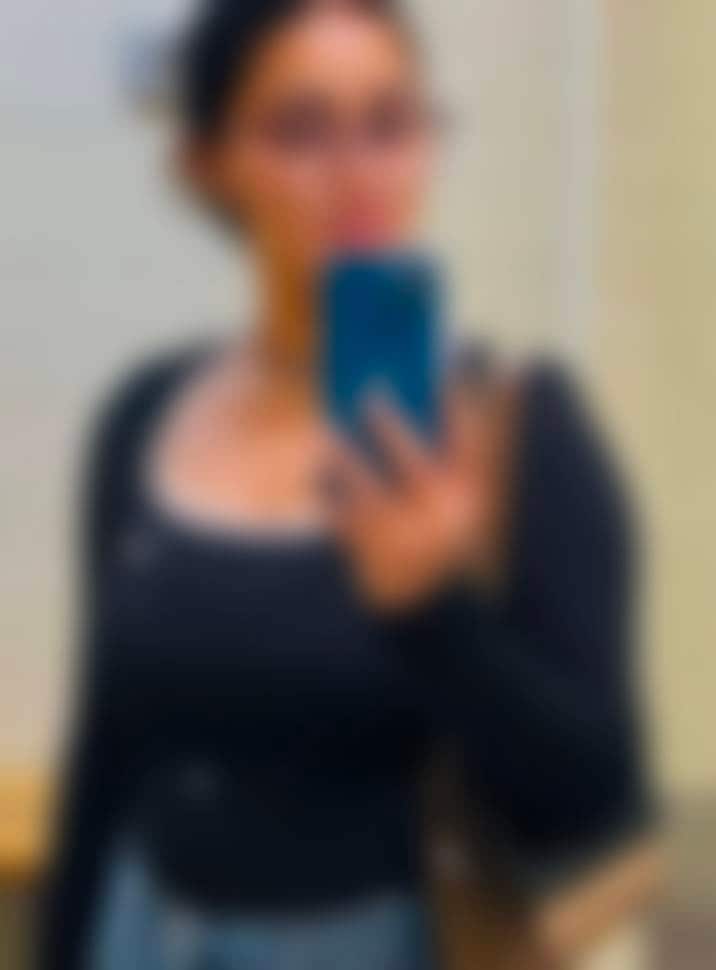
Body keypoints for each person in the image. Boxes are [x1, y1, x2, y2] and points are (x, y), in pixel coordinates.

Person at [40, 1, 651, 968]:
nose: (356, 170)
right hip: (143, 933)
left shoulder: (519, 434)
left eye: (389, 123)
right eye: (300, 129)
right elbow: (104, 764)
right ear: (207, 164)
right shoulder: (145, 419)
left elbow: (593, 802)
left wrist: (434, 614)